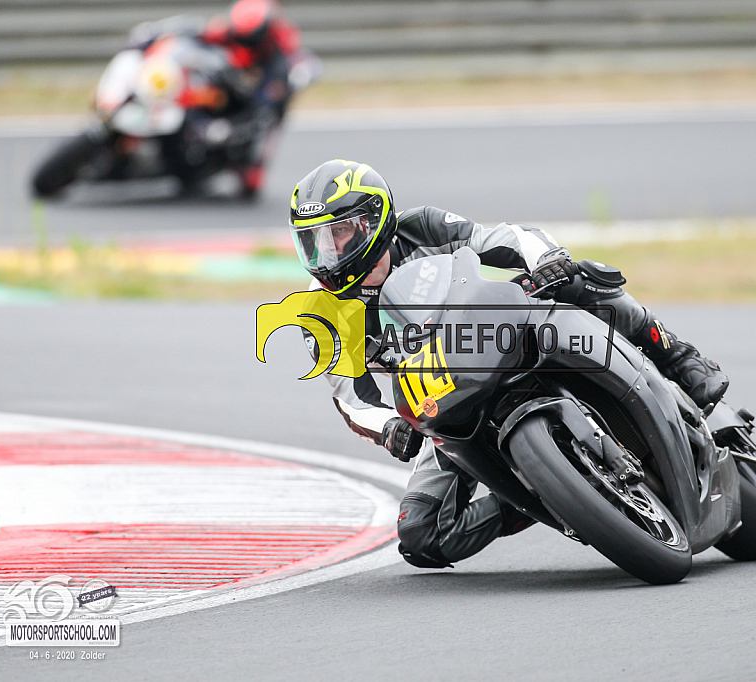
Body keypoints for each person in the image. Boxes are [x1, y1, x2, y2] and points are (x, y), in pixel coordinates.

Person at [289, 159, 729, 569]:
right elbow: (352, 399)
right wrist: (390, 427)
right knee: (422, 535)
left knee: (579, 277)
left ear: (372, 221)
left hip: (499, 330)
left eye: (337, 234)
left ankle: (677, 355)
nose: (325, 252)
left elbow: (505, 237)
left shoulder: (420, 228)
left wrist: (546, 260)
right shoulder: (320, 312)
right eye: (312, 241)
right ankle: (543, 491)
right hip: (444, 395)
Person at [129, 0, 314, 197]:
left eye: (249, 38)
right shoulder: (228, 30)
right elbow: (196, 30)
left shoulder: (282, 51)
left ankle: (250, 164)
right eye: (240, 36)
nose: (244, 41)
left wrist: (234, 127)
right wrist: (155, 33)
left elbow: (291, 78)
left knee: (255, 163)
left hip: (261, 98)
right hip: (234, 80)